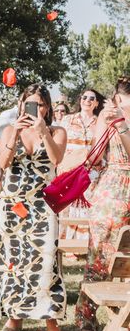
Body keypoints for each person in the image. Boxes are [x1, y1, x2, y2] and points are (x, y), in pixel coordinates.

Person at [0, 84, 67, 331]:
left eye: (40, 104)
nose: (34, 108)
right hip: (13, 204)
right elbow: (3, 163)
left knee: (45, 261)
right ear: (21, 104)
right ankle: (15, 317)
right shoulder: (9, 129)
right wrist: (14, 133)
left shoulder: (56, 131)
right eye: (29, 103)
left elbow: (56, 159)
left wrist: (42, 133)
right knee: (14, 261)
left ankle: (51, 320)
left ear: (47, 108)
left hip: (42, 205)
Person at [75, 76, 130, 331]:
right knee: (98, 259)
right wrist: (105, 124)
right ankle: (86, 318)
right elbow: (93, 158)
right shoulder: (107, 120)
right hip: (112, 193)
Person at [57, 89, 104, 241]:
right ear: (80, 100)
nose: (87, 100)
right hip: (68, 171)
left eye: (92, 98)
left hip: (91, 174)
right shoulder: (67, 120)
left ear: (96, 103)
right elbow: (59, 145)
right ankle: (64, 244)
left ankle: (83, 245)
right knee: (66, 208)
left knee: (87, 207)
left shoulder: (100, 123)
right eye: (84, 97)